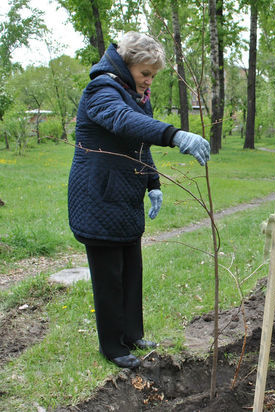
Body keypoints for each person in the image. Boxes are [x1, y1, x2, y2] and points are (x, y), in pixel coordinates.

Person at [68, 32, 210, 369]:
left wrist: (153, 183)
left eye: (153, 76)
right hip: (99, 197)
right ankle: (113, 347)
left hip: (125, 199)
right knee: (109, 277)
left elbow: (139, 143)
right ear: (125, 64)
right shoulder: (101, 90)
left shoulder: (135, 95)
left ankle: (131, 334)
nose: (149, 82)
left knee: (131, 270)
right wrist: (174, 134)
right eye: (145, 73)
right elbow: (122, 120)